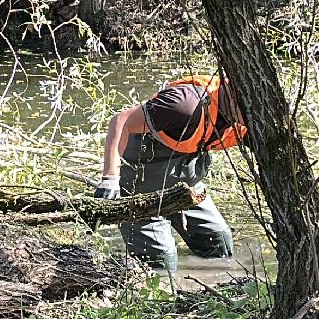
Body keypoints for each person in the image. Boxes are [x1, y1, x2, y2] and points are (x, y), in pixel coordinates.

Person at [94, 75, 243, 272]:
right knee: (161, 264)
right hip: (140, 188)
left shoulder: (253, 122)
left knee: (218, 244)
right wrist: (110, 179)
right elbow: (121, 121)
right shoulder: (186, 104)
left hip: (186, 186)